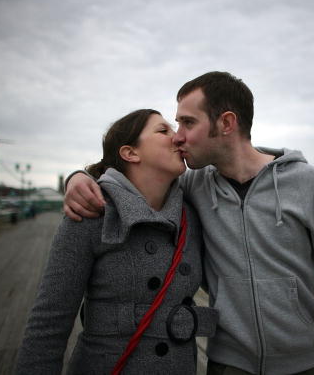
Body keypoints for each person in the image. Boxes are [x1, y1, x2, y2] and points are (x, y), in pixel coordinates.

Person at [65, 72, 314, 375]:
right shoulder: (192, 185)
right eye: (175, 124)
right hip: (228, 366)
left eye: (188, 122)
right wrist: (79, 177)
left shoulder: (306, 184)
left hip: (305, 365)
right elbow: (132, 178)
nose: (178, 136)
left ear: (226, 123)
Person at [17, 109, 218, 375]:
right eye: (163, 130)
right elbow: (48, 324)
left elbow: (236, 160)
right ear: (130, 153)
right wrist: (79, 176)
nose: (178, 138)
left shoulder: (191, 214)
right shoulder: (93, 212)